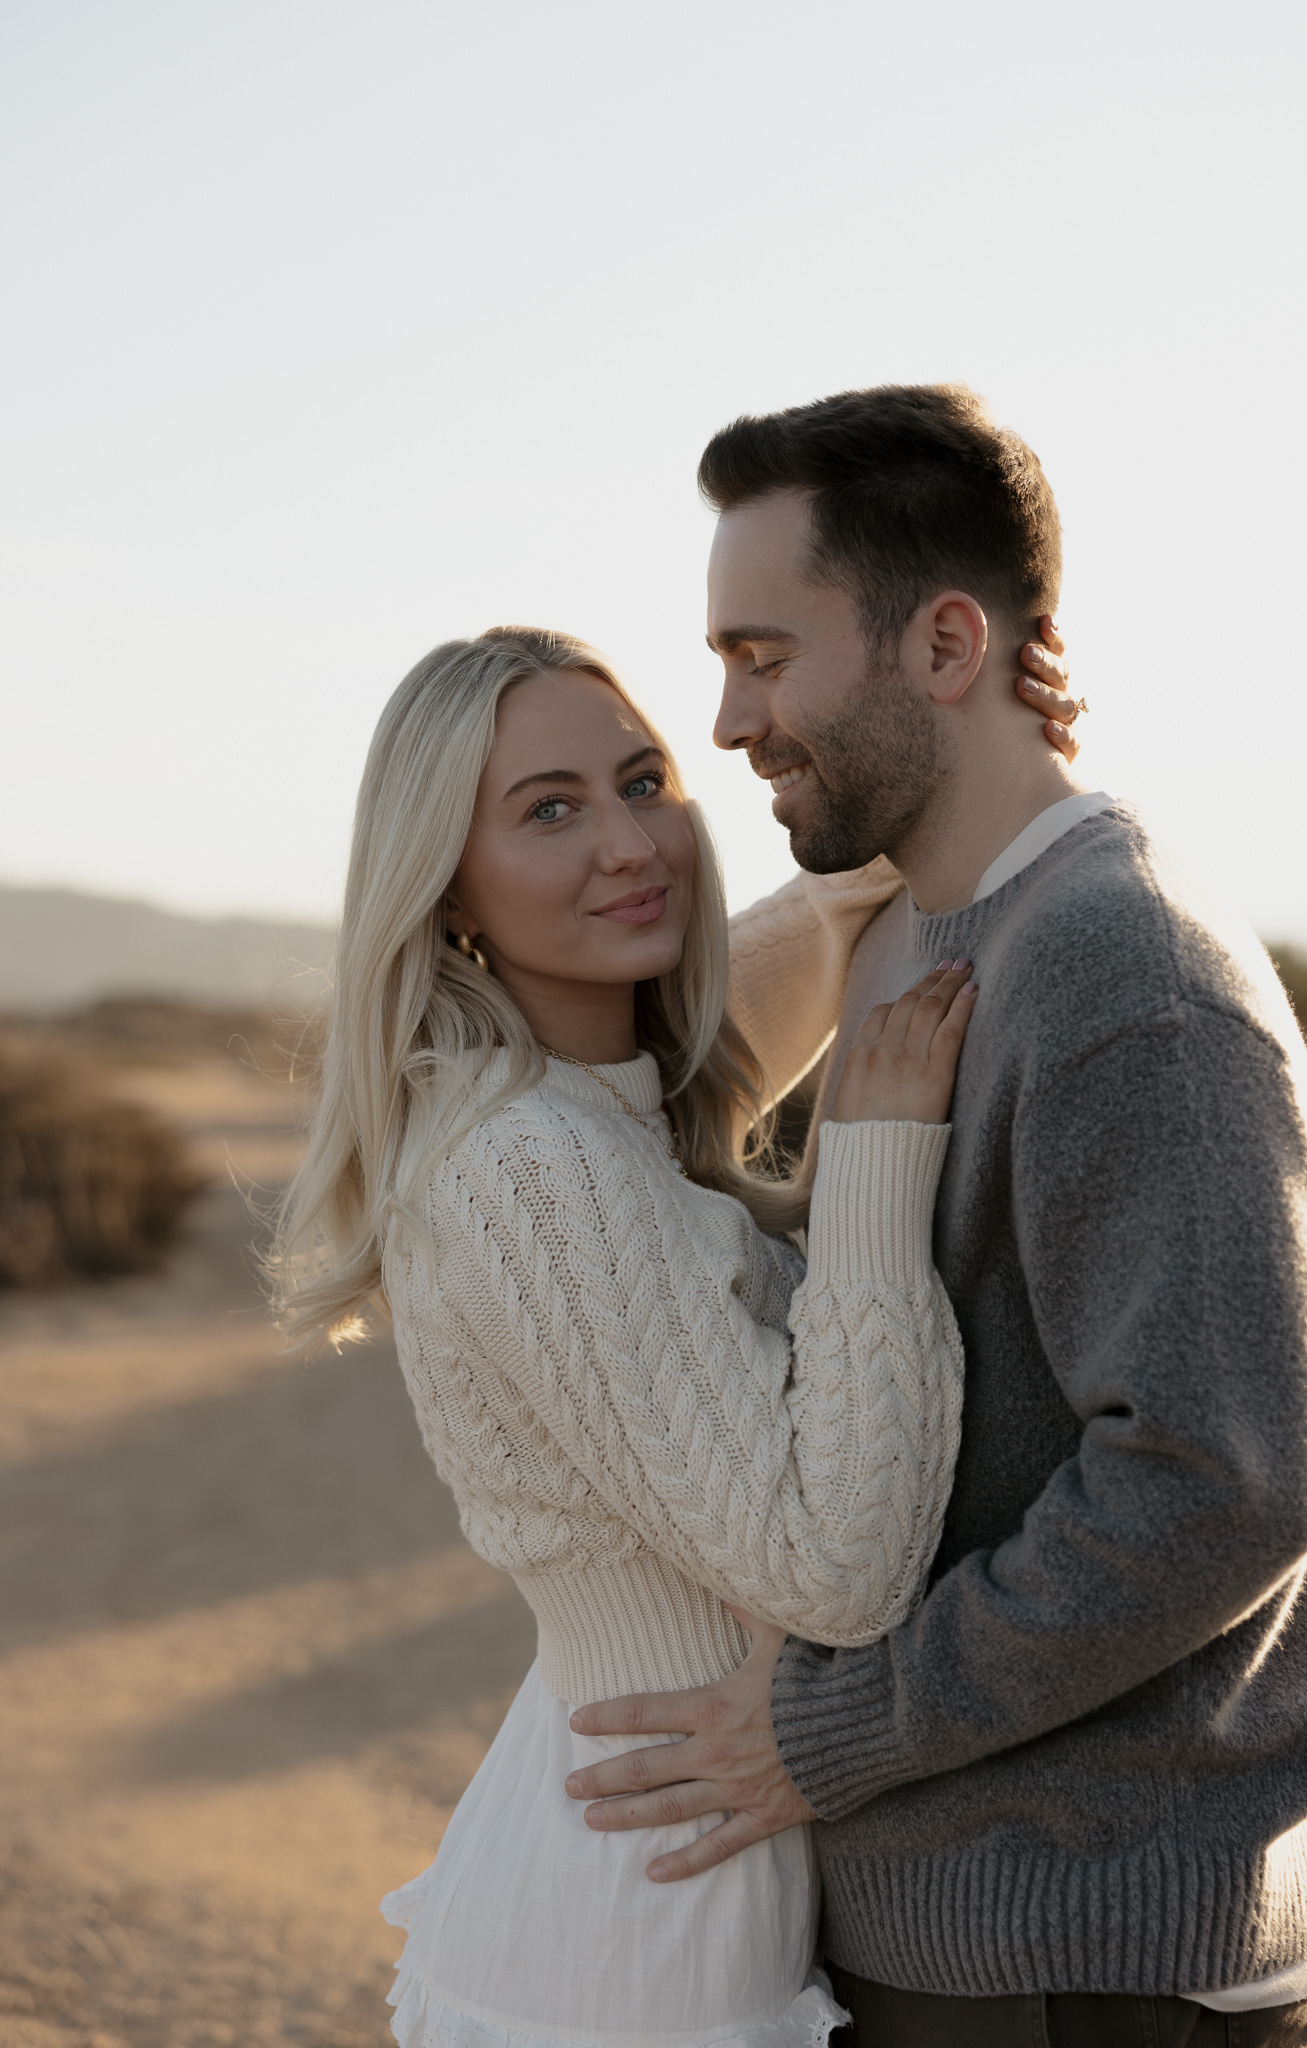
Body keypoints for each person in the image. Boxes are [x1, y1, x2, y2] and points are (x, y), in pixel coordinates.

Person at [563, 386, 1307, 2047]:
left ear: (943, 643)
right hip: (970, 1931)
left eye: (764, 657)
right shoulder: (929, 942)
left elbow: (1215, 1483)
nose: (725, 721)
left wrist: (827, 1731)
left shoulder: (1124, 977)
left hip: (1095, 1953)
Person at [267, 621, 1079, 2047]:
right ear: (448, 887)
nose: (630, 842)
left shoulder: (583, 1105)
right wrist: (879, 1161)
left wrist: (970, 748)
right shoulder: (532, 1167)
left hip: (650, 1850)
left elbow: (753, 995)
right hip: (637, 1922)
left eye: (643, 781)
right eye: (549, 811)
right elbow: (833, 1571)